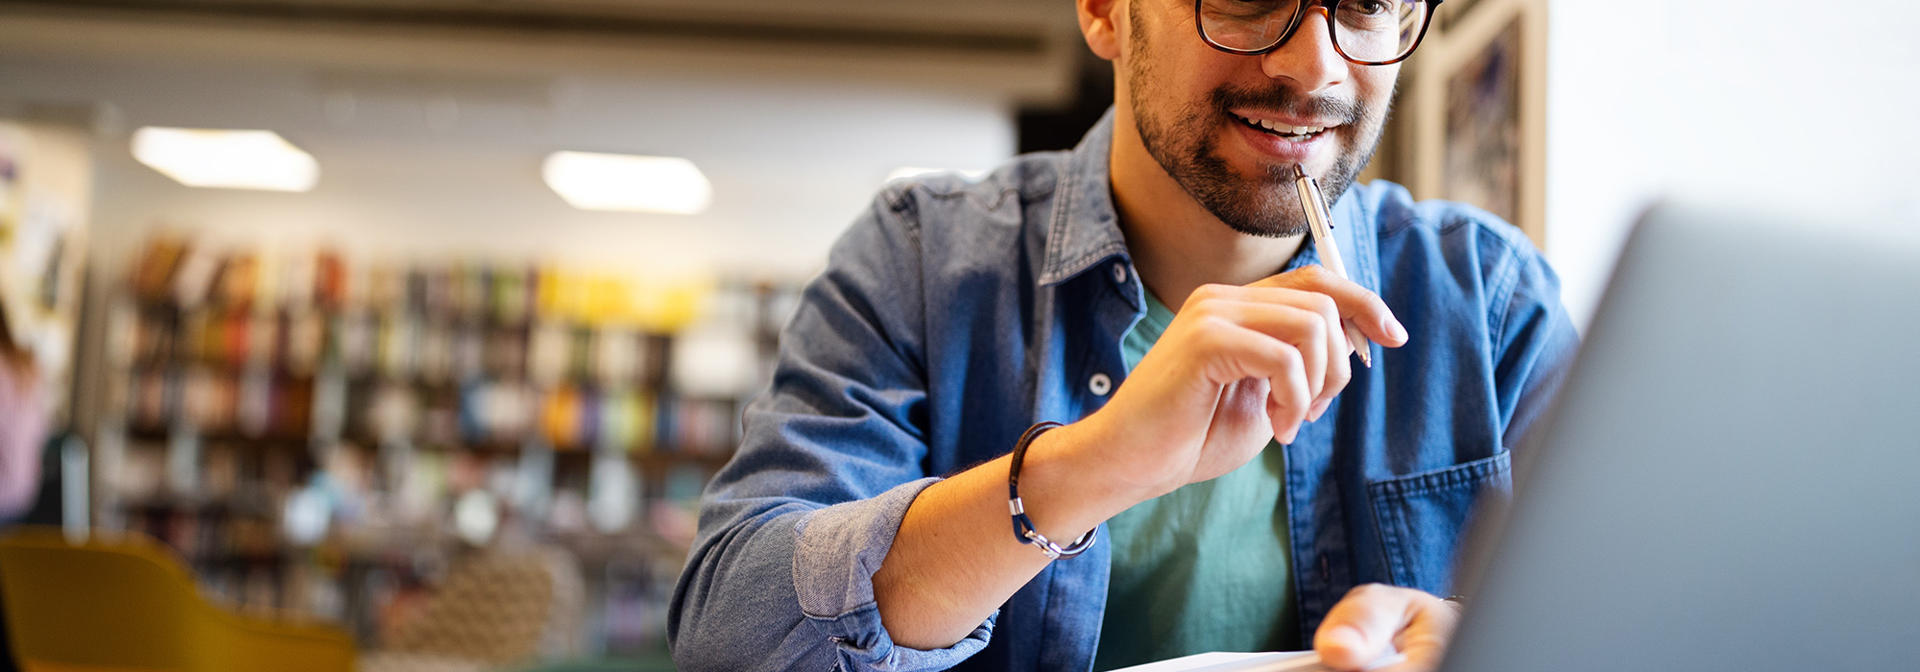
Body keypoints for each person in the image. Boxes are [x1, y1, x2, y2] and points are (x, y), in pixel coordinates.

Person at [669, 0, 1578, 670]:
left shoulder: (1490, 301)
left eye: (1369, 5)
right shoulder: (922, 258)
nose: (1316, 68)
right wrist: (1084, 469)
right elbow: (732, 636)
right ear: (1106, 12)